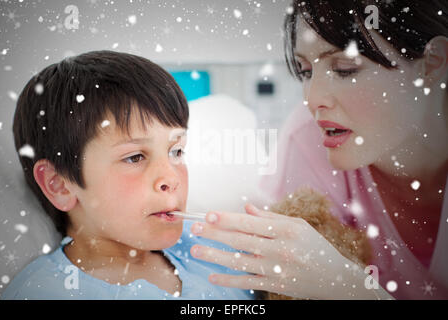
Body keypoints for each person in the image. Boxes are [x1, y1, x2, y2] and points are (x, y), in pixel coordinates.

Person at [188, 1, 448, 299]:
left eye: (345, 69)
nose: (312, 99)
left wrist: (349, 288)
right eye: (306, 71)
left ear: (433, 64)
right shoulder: (311, 136)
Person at [2, 51, 254, 300]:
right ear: (60, 185)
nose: (171, 178)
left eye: (176, 151)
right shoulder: (44, 292)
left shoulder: (216, 250)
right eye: (135, 157)